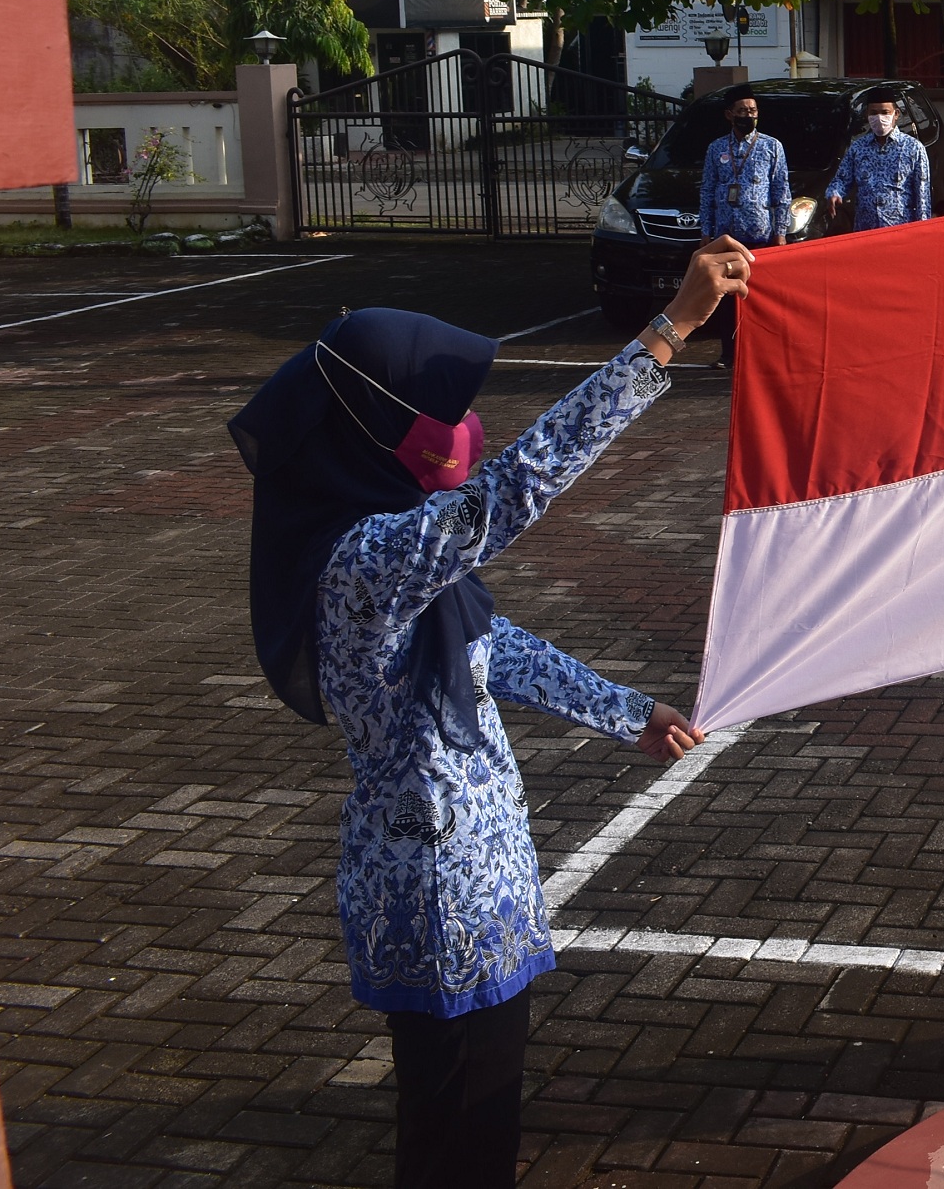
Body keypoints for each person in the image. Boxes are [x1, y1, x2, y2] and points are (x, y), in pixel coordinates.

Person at [228, 236, 756, 1189]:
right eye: (439, 415)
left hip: (473, 870)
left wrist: (626, 712)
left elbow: (493, 649)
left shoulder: (384, 547)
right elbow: (513, 490)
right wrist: (669, 331)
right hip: (438, 888)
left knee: (472, 1116)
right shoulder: (368, 560)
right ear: (375, 429)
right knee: (458, 1128)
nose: (461, 430)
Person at [697, 87, 790, 364]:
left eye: (752, 111)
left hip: (760, 233)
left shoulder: (771, 146)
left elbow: (781, 191)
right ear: (729, 115)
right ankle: (730, 353)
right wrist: (705, 230)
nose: (748, 116)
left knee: (757, 296)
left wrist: (781, 231)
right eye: (742, 111)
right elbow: (707, 190)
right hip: (726, 235)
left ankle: (762, 353)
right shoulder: (716, 149)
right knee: (726, 297)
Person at [824, 92, 932, 231]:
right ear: (867, 115)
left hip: (900, 228)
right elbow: (842, 178)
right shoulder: (858, 148)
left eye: (885, 112)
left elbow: (922, 195)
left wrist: (923, 230)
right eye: (874, 113)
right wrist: (834, 193)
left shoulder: (913, 148)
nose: (879, 118)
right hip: (866, 229)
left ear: (896, 114)